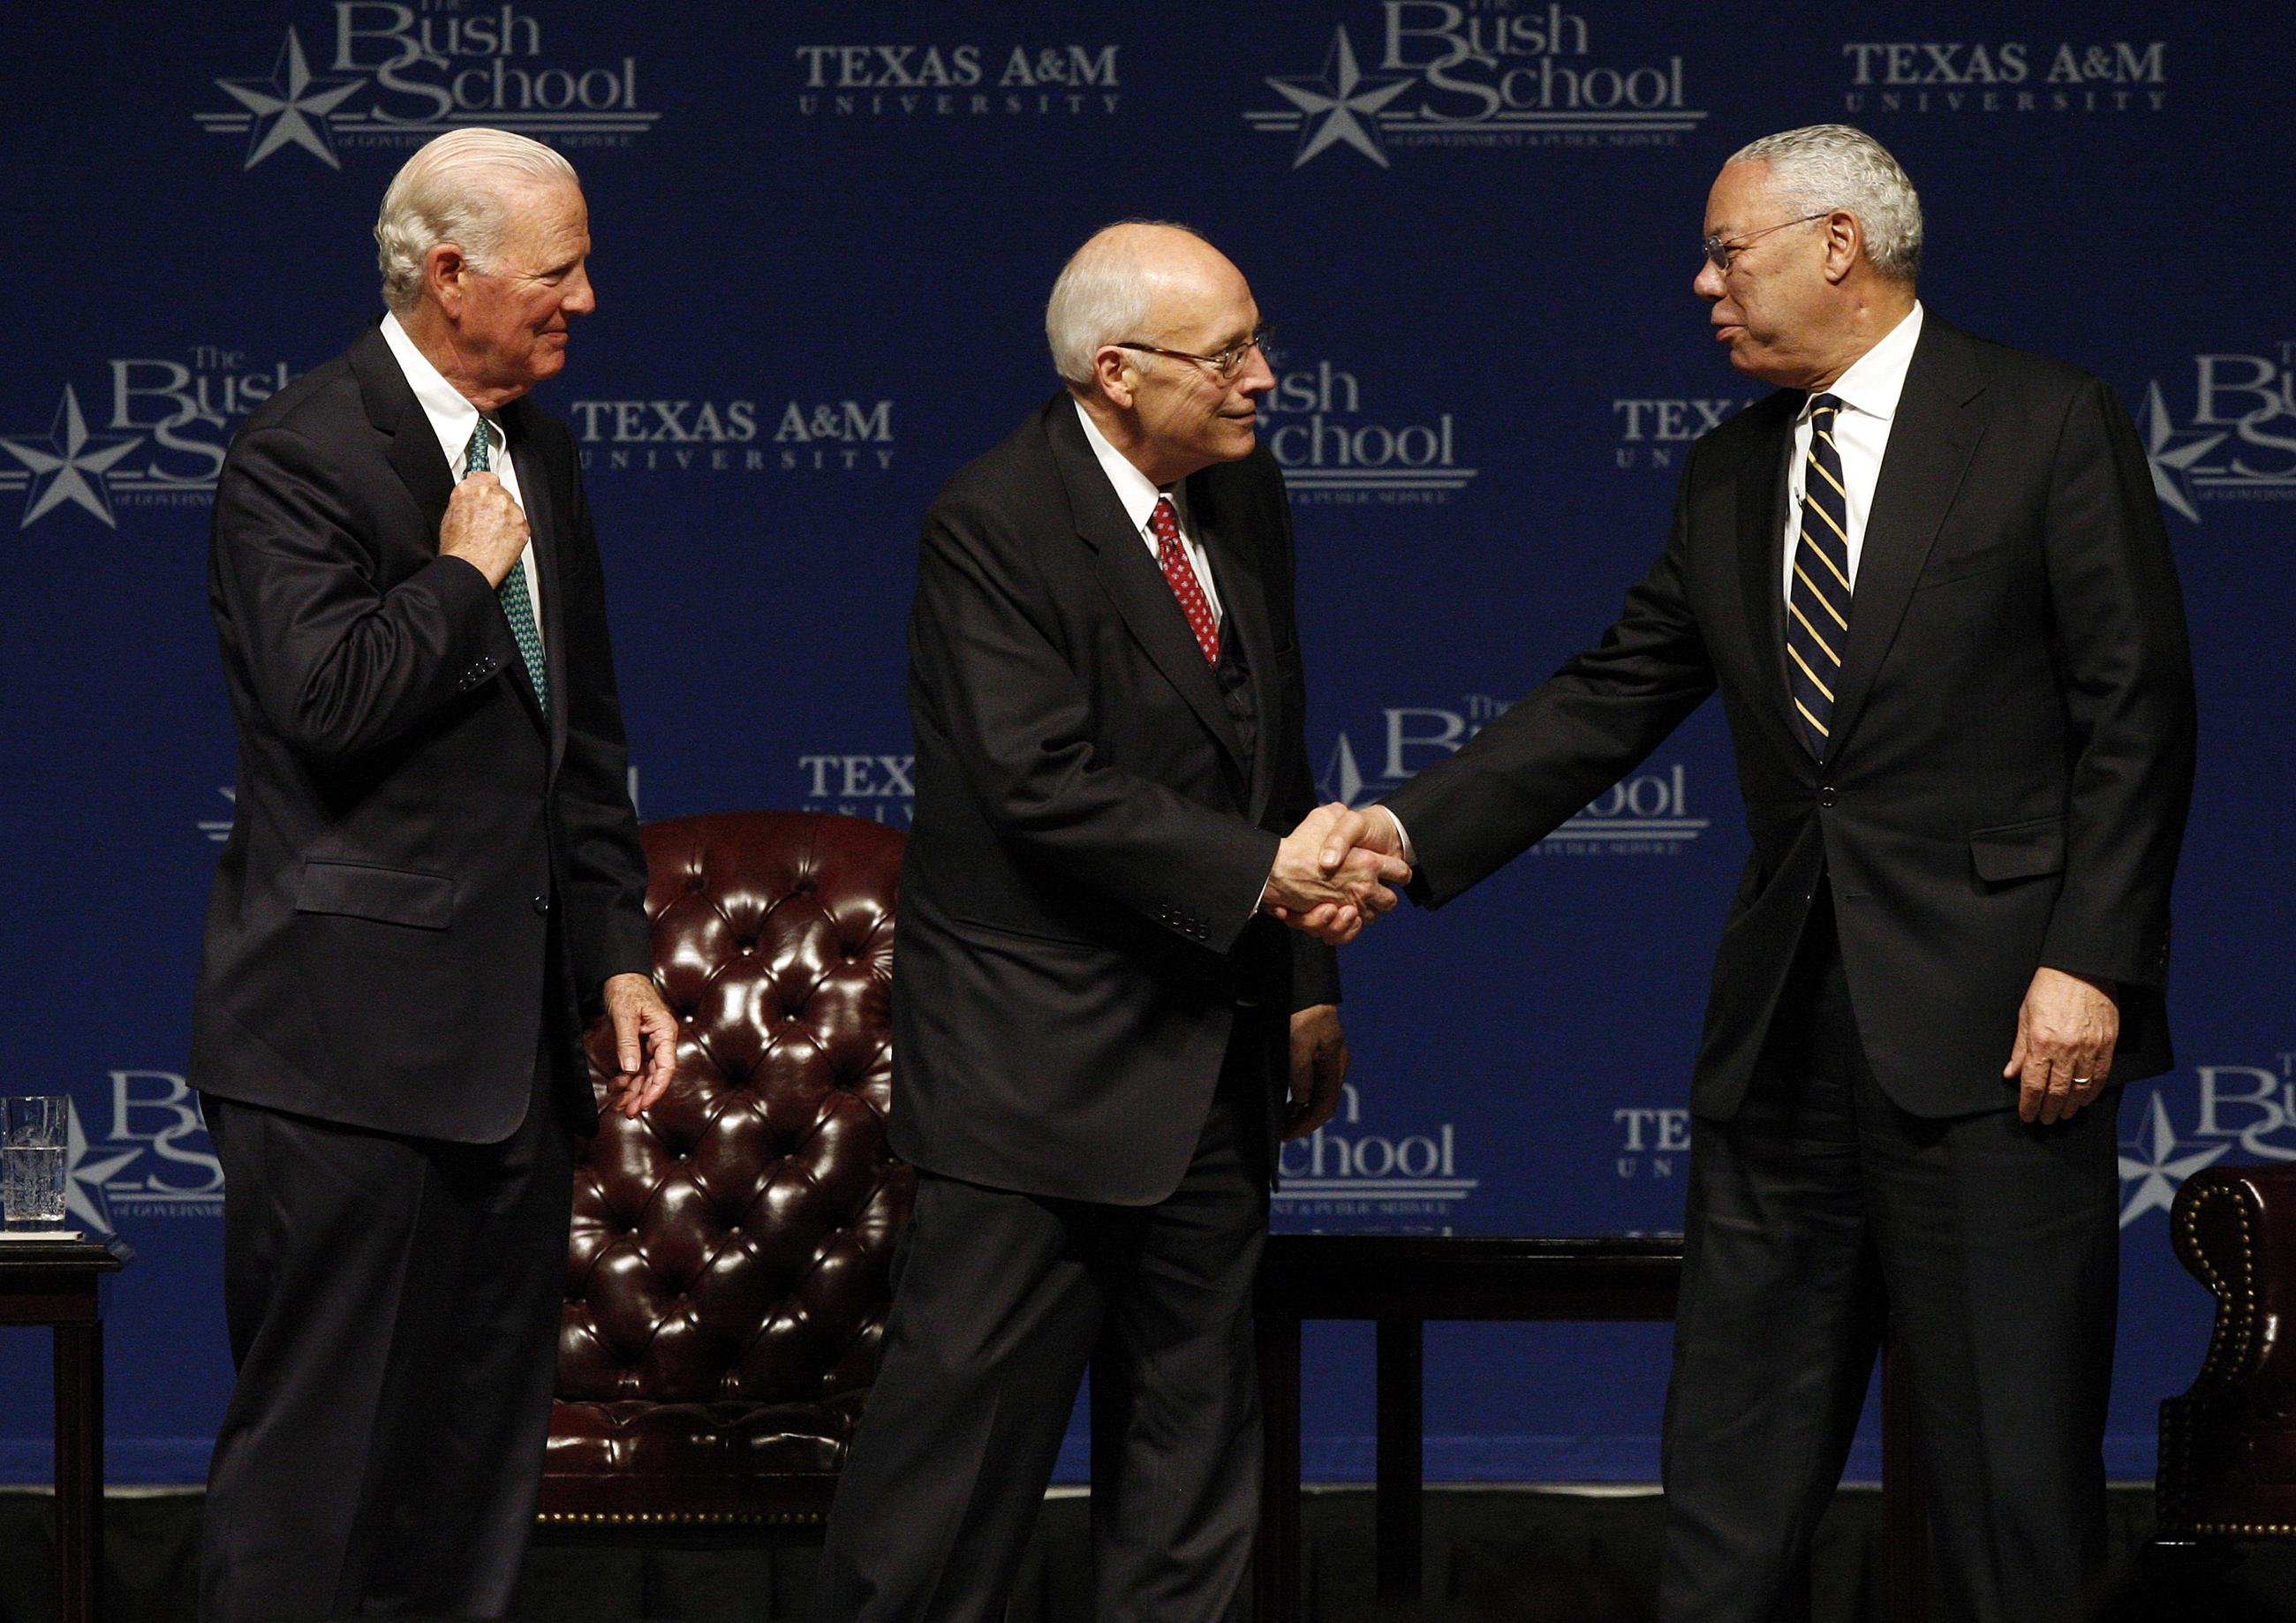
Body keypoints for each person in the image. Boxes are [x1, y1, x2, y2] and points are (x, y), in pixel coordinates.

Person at [1313, 125, 2196, 1622]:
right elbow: (1613, 692)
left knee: (2009, 1498)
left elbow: (2138, 708)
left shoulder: (2046, 421)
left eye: (1730, 250)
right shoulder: (1730, 469)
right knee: (1728, 1489)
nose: (1704, 282)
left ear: (1837, 244)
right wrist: (1405, 830)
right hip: (1785, 1039)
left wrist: (2090, 960)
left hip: (1999, 1042)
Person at [808, 221, 1407, 1623]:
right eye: (1230, 353)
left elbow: (1271, 755)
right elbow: (1038, 787)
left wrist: (1304, 966)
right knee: (946, 1492)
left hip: (1215, 1064)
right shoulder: (995, 523)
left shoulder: (1242, 499)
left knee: (1193, 1475)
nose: (1265, 376)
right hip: (1040, 1083)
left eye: (1260, 338)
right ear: (1116, 370)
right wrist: (1269, 874)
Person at [189, 127, 676, 1622]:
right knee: (318, 1474)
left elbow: (576, 737)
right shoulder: (301, 453)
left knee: (469, 1478)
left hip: (513, 1058)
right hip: (344, 1056)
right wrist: (460, 576)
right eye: (561, 268)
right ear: (449, 274)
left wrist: (615, 950)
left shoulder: (540, 443)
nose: (587, 298)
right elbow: (324, 706)